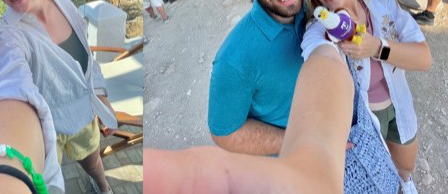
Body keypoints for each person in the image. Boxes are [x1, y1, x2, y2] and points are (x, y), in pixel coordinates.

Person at [298, 0, 431, 193]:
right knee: (380, 181)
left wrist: (377, 48)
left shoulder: (382, 0)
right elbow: (316, 59)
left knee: (407, 166)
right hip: (361, 125)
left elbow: (424, 58)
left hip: (399, 103)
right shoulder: (317, 30)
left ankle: (406, 183)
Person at [0, 0, 119, 194]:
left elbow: (85, 53)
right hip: (45, 130)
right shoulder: (8, 35)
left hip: (83, 111)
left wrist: (101, 94)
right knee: (47, 185)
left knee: (93, 161)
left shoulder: (62, 0)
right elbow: (8, 77)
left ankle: (103, 186)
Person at [146, 49, 354, 194]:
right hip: (311, 158)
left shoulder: (310, 13)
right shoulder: (232, 61)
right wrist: (308, 143)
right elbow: (225, 133)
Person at [208, 0, 306, 156]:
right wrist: (299, 141)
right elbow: (225, 133)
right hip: (295, 160)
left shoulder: (309, 9)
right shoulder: (233, 59)